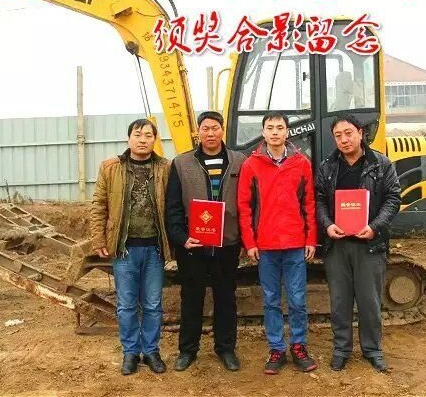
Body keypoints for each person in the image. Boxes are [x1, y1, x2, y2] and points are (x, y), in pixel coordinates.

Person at [315, 113, 401, 373]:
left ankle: (372, 349)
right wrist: (327, 224)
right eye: (338, 135)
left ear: (360, 133)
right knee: (340, 301)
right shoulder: (328, 166)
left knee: (369, 302)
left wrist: (375, 227)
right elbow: (319, 199)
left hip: (369, 245)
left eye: (348, 133)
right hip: (337, 246)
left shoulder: (381, 164)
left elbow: (393, 199)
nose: (344, 140)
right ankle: (341, 349)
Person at [237, 112, 318, 375]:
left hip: (295, 244)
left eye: (279, 127)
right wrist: (250, 242)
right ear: (263, 132)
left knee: (297, 299)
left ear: (287, 132)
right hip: (266, 246)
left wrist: (311, 238)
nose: (275, 132)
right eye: (270, 128)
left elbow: (309, 203)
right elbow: (245, 207)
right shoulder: (252, 165)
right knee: (271, 300)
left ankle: (299, 346)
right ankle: (276, 349)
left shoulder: (301, 163)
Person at [165, 111, 246, 372]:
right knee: (191, 298)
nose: (210, 133)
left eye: (215, 128)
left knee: (226, 298)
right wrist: (181, 238)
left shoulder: (239, 161)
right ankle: (188, 350)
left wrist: (244, 239)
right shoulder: (182, 163)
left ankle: (226, 349)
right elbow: (173, 207)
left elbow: (248, 203)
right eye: (205, 129)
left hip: (227, 244)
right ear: (197, 132)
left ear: (222, 130)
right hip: (194, 246)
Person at [90, 119, 170, 375]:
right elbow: (99, 205)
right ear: (129, 138)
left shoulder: (165, 168)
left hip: (155, 248)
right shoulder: (110, 168)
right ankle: (130, 352)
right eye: (138, 134)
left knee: (153, 304)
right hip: (124, 249)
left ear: (155, 140)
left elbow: (175, 205)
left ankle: (151, 351)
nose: (143, 139)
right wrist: (98, 239)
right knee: (126, 305)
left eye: (148, 135)